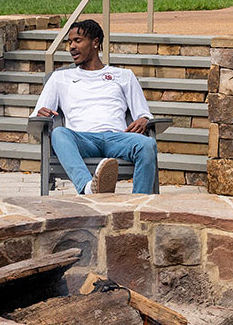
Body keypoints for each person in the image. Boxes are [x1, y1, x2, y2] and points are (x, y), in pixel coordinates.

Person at [32, 19, 158, 195]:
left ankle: (139, 205)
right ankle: (87, 187)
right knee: (59, 133)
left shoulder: (123, 76)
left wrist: (144, 120)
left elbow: (144, 113)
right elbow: (35, 118)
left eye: (77, 40)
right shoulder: (60, 78)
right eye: (69, 42)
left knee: (147, 144)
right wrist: (41, 113)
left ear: (95, 42)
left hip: (117, 138)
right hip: (82, 139)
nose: (72, 47)